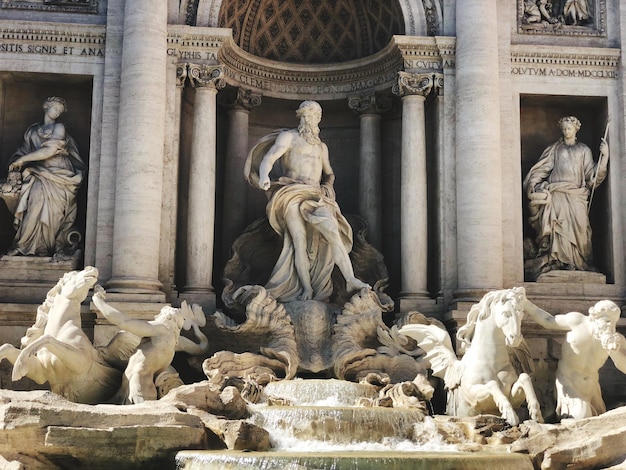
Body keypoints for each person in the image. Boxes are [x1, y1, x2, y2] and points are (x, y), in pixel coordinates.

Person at [244, 100, 369, 303]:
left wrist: (327, 187)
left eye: (315, 116)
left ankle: (350, 279)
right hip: (291, 192)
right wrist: (265, 175)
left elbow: (329, 173)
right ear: (300, 116)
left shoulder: (321, 147)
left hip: (316, 196)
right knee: (298, 241)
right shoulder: (289, 137)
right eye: (308, 115)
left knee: (333, 233)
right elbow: (270, 157)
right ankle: (306, 289)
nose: (311, 120)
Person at [92, 286, 209, 404]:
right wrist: (196, 328)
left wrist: (98, 301)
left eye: (160, 315)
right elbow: (201, 348)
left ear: (167, 317)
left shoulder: (161, 329)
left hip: (139, 383)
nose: (156, 317)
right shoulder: (176, 341)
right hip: (140, 383)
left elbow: (123, 322)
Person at [523, 116, 608, 276]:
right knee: (559, 229)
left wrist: (604, 157)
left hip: (577, 196)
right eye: (563, 129)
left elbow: (592, 176)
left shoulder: (584, 150)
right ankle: (559, 262)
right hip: (557, 194)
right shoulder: (555, 149)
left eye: (568, 128)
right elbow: (542, 169)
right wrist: (533, 184)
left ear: (576, 130)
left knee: (581, 230)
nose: (566, 131)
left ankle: (579, 262)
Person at [3, 96, 85, 257]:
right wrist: (16, 162)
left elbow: (50, 151)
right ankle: (24, 245)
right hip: (38, 174)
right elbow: (23, 151)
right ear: (45, 106)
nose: (57, 112)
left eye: (60, 111)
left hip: (60, 176)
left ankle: (45, 247)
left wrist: (23, 160)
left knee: (54, 213)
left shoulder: (59, 127)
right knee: (34, 203)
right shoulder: (32, 131)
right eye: (55, 108)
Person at [523, 297, 626, 420]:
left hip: (592, 388)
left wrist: (614, 352)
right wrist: (525, 303)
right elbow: (548, 321)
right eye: (606, 321)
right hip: (568, 383)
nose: (609, 326)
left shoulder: (617, 339)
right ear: (594, 317)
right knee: (582, 417)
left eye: (613, 323)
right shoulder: (577, 321)